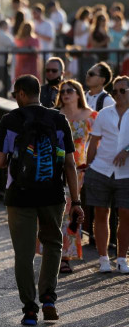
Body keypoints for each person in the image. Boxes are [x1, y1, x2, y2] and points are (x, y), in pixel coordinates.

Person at [0, 75, 82, 325]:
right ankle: (49, 298)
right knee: (53, 245)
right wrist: (76, 201)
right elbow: (69, 163)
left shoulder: (10, 120)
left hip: (19, 196)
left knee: (24, 253)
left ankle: (30, 309)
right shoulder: (58, 119)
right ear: (38, 93)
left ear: (21, 93)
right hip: (53, 194)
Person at [83, 75, 129, 274]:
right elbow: (93, 143)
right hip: (101, 169)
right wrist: (88, 167)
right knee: (101, 213)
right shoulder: (104, 114)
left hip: (126, 173)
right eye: (115, 91)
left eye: (122, 90)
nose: (118, 95)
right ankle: (103, 258)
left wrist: (127, 150)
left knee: (126, 215)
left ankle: (121, 258)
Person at [54, 80, 97, 273]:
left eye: (70, 90)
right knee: (56, 211)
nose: (65, 94)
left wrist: (93, 163)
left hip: (78, 171)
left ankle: (66, 256)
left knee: (71, 212)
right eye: (62, 91)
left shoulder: (90, 117)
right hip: (55, 170)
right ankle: (54, 252)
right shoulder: (54, 116)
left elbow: (101, 142)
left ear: (79, 93)